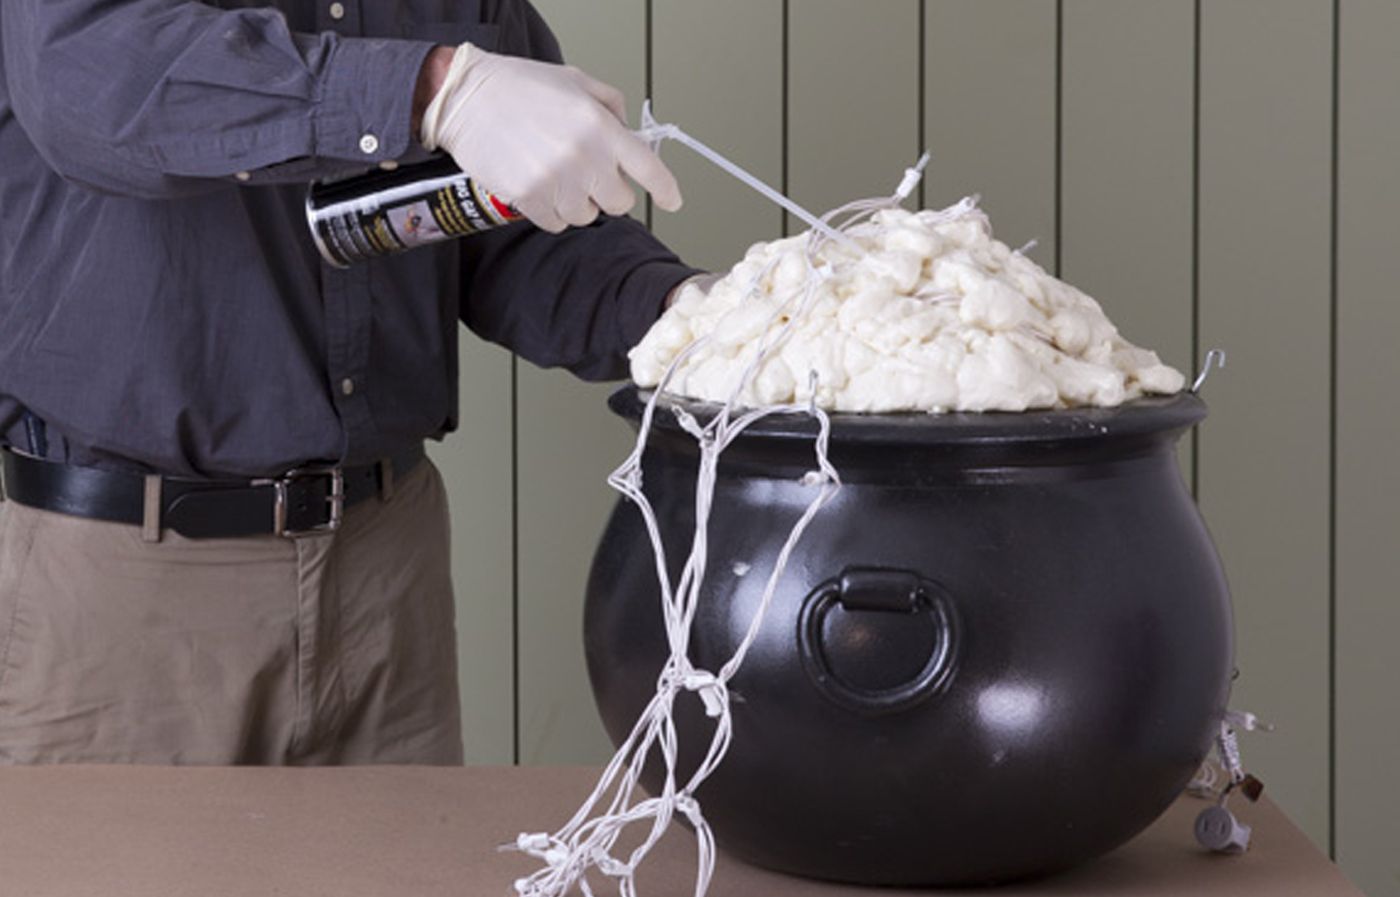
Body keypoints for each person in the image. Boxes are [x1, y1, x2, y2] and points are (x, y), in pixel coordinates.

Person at [0, 0, 702, 765]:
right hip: (128, 592)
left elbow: (503, 229)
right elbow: (90, 76)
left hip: (387, 578)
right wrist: (432, 90)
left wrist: (684, 317)